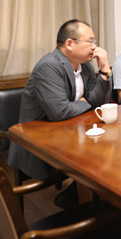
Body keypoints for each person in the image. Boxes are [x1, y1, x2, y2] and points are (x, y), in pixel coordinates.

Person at [8, 19, 113, 207]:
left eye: (94, 41)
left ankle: (81, 197)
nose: (94, 47)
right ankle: (79, 202)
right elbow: (60, 111)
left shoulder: (85, 66)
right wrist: (85, 102)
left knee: (110, 149)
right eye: (90, 41)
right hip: (40, 139)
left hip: (71, 130)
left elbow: (98, 103)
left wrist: (105, 70)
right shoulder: (48, 66)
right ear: (70, 44)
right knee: (98, 156)